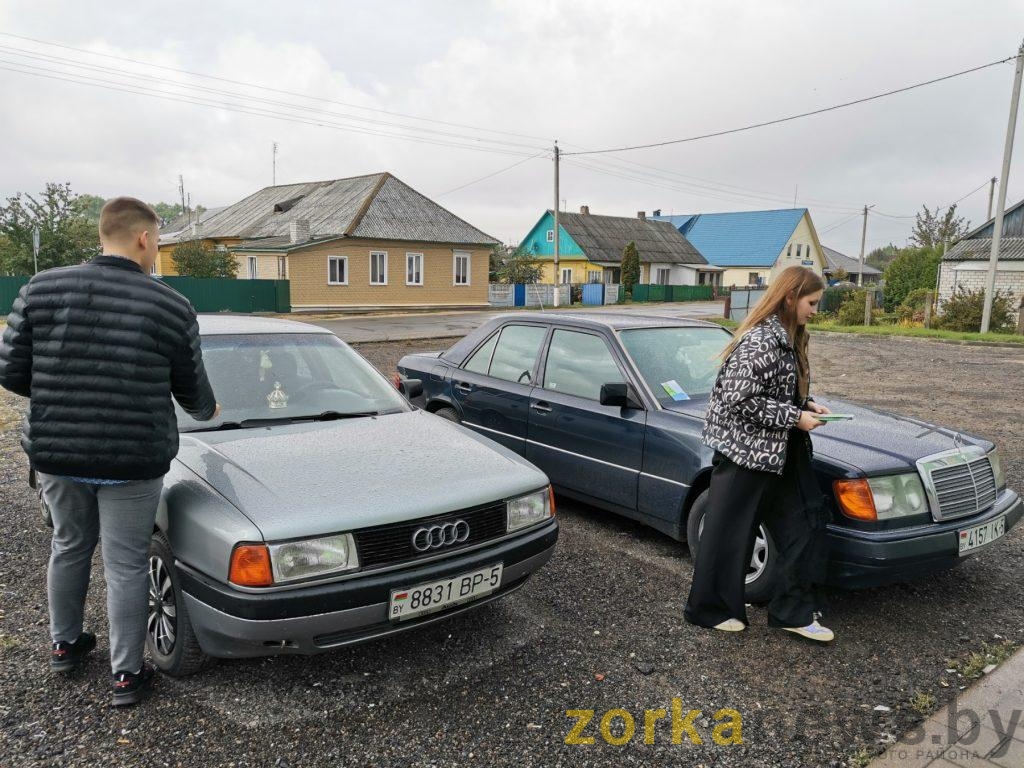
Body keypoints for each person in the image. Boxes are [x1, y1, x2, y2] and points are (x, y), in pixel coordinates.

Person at [0, 197, 220, 705]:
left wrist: (64, 392)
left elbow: (11, 372)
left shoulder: (41, 288)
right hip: (133, 460)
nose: (157, 250)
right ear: (143, 238)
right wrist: (209, 410)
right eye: (159, 241)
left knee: (69, 545)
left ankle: (65, 645)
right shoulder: (170, 304)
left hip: (58, 453)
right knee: (125, 564)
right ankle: (125, 675)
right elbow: (192, 391)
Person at [684, 266, 834, 642]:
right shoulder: (761, 340)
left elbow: (775, 391)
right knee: (728, 535)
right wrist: (794, 416)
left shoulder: (791, 336)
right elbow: (740, 398)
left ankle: (793, 614)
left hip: (783, 450)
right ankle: (710, 610)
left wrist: (806, 405)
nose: (815, 310)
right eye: (811, 302)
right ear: (790, 297)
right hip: (746, 453)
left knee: (806, 526)